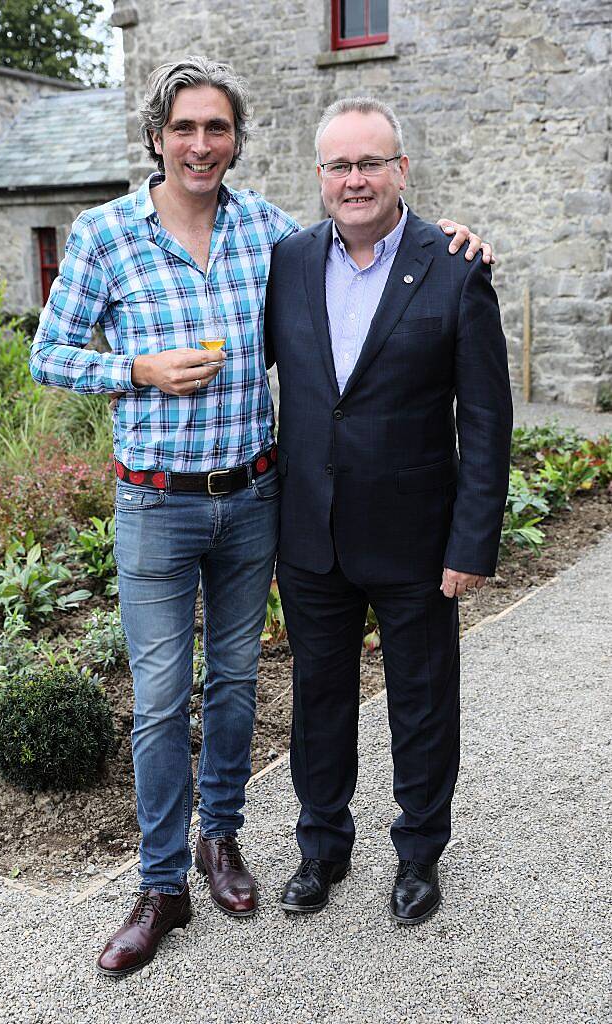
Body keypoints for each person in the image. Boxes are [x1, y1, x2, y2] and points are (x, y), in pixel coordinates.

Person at [30, 58, 492, 976]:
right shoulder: (112, 235)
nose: (201, 144)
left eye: (218, 129)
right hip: (162, 505)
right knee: (165, 703)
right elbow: (49, 354)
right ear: (157, 136)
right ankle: (165, 882)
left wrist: (458, 242)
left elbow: (396, 287)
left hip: (256, 504)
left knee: (245, 689)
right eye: (185, 128)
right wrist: (136, 370)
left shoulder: (273, 238)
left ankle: (239, 845)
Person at [265, 96, 512, 925]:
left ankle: (418, 855)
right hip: (311, 537)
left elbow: (483, 417)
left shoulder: (453, 265)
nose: (354, 178)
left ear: (401, 170)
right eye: (338, 165)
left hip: (416, 538)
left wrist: (471, 538)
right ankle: (320, 849)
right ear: (320, 177)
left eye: (371, 162)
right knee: (318, 701)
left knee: (421, 700)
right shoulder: (288, 262)